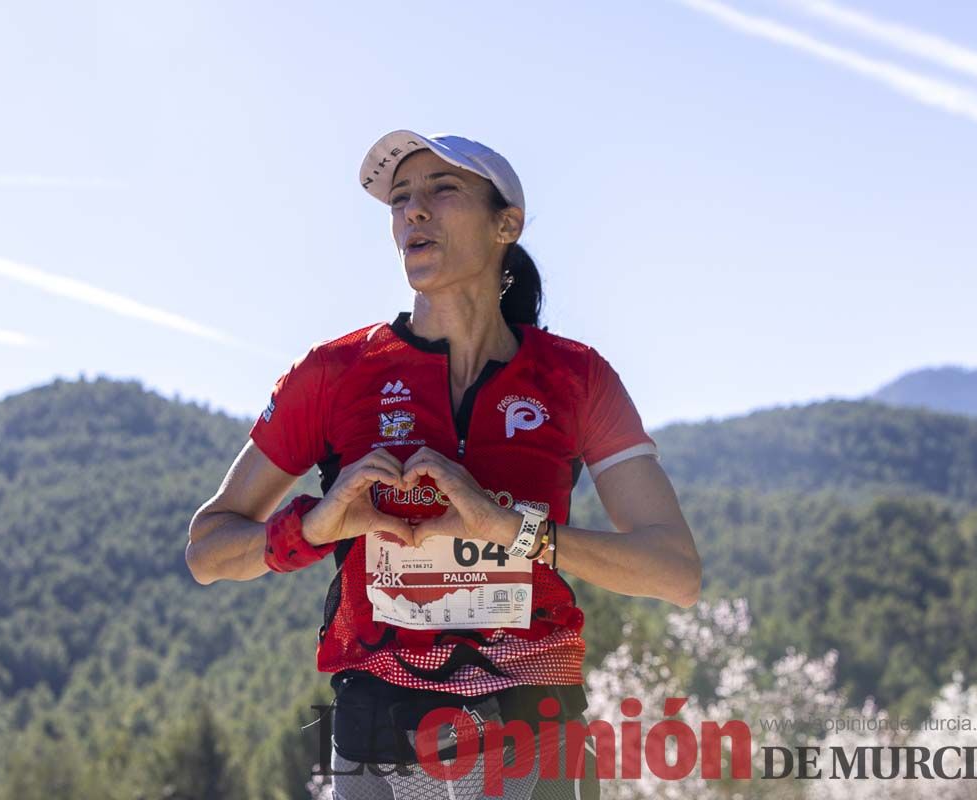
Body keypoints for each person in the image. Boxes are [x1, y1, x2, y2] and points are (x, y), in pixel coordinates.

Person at [186, 130, 703, 799]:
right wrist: (316, 526)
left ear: (505, 225)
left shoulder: (576, 378)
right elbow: (207, 550)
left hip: (533, 734)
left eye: (442, 190)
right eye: (400, 199)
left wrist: (509, 529)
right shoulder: (334, 374)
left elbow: (676, 573)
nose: (413, 212)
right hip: (380, 734)